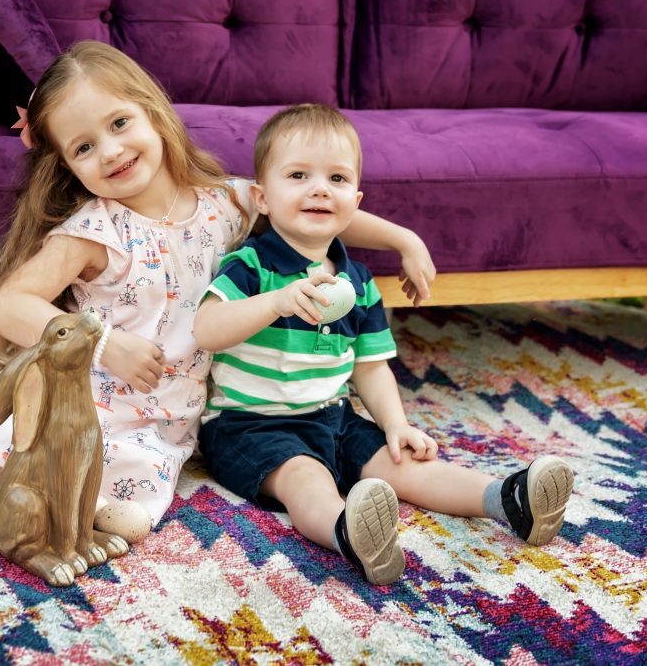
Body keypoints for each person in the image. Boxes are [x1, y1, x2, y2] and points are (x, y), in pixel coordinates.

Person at [0, 42, 437, 542]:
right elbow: (11, 304)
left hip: (166, 419)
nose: (109, 151)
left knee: (133, 505)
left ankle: (83, 498)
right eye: (83, 147)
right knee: (6, 444)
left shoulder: (225, 202)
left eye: (118, 124)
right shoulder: (95, 232)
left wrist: (402, 238)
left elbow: (308, 209)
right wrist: (104, 345)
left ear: (153, 113)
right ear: (66, 165)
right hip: (85, 395)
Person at [193, 104, 574, 585]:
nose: (319, 188)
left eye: (336, 178)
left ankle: (508, 499)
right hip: (248, 425)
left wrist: (396, 425)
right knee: (303, 478)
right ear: (262, 198)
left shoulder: (358, 281)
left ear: (355, 199)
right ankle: (346, 532)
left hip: (331, 416)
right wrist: (276, 303)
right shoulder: (251, 266)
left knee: (404, 463)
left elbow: (370, 368)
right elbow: (205, 330)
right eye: (298, 175)